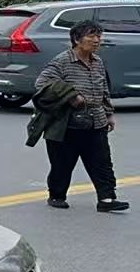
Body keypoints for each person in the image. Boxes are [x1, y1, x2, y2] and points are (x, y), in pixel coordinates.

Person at [34, 19, 128, 212]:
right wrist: (71, 96)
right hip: (67, 124)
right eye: (91, 36)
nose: (97, 40)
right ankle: (57, 195)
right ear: (77, 39)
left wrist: (108, 113)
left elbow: (104, 89)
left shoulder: (97, 61)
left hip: (96, 120)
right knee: (62, 164)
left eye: (99, 36)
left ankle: (107, 199)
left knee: (102, 163)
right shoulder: (62, 61)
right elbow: (42, 83)